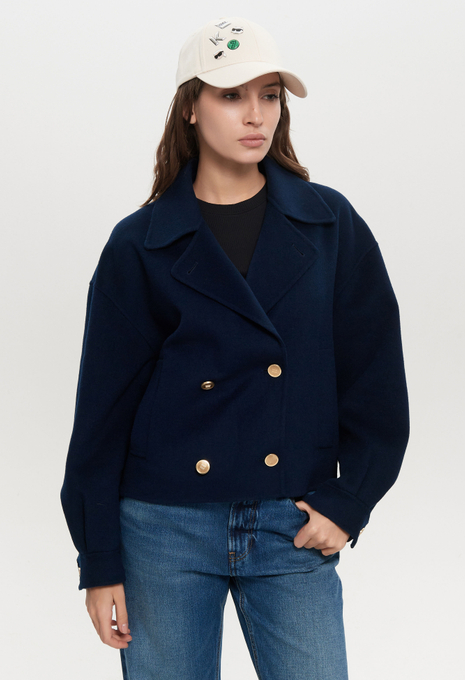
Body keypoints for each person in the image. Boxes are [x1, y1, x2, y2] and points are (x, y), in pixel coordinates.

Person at [60, 16, 409, 680]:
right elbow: (101, 416)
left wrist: (348, 502)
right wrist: (98, 560)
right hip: (162, 528)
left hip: (291, 520)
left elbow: (375, 383)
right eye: (230, 95)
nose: (256, 115)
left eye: (269, 95)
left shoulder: (329, 224)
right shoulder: (140, 243)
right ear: (190, 107)